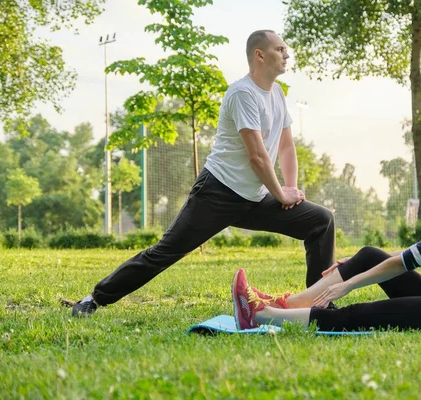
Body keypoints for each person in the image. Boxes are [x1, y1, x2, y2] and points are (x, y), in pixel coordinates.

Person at [72, 30, 335, 317]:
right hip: (218, 192)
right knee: (166, 252)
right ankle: (94, 298)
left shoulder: (278, 95)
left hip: (257, 196)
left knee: (320, 221)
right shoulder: (242, 93)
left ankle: (319, 304)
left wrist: (291, 190)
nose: (287, 54)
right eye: (280, 49)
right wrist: (280, 192)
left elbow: (286, 146)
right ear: (260, 55)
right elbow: (258, 157)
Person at [232, 151, 421, 333]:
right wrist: (355, 265)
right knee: (370, 254)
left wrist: (348, 284)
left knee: (355, 314)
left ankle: (260, 315)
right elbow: (414, 253)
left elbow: (403, 262)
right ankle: (289, 303)